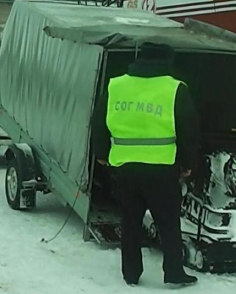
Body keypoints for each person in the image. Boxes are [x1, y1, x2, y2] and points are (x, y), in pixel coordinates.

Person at [91, 43, 200, 286]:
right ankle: (173, 272)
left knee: (130, 221)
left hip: (125, 168)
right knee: (169, 222)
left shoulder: (116, 85)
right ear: (166, 61)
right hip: (162, 168)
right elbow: (189, 129)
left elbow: (98, 121)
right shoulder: (175, 89)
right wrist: (188, 163)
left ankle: (131, 273)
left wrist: (101, 153)